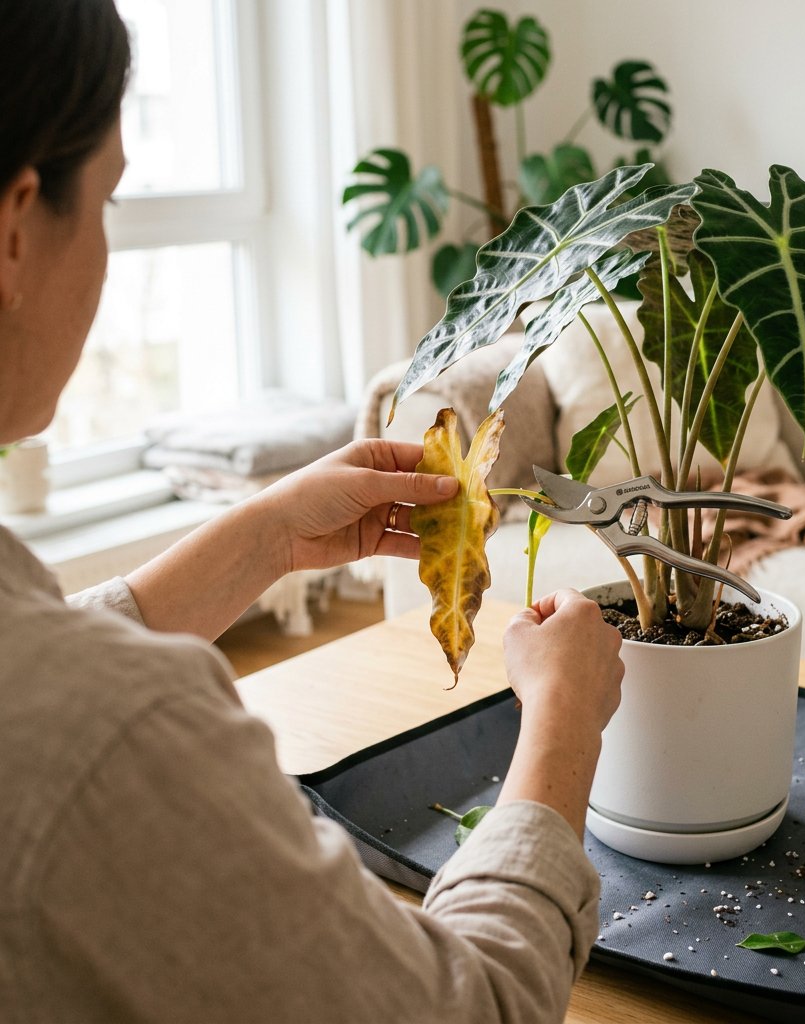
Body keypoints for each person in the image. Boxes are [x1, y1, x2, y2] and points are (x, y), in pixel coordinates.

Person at [0, 2, 625, 1022]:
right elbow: (474, 1006)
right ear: (16, 230)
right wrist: (561, 724)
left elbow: (37, 665)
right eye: (107, 199)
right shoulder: (124, 738)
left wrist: (268, 536)